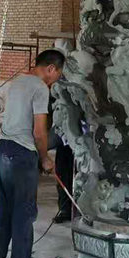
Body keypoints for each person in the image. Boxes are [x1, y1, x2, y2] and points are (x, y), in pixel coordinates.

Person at [0, 49, 65, 258]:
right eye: (58, 74)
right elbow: (39, 132)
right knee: (24, 213)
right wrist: (45, 158)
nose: (56, 80)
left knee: (4, 211)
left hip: (3, 151)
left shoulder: (17, 82)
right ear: (51, 68)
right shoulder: (40, 88)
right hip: (21, 155)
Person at [48, 94, 74, 223]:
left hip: (80, 137)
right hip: (64, 141)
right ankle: (65, 209)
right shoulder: (55, 94)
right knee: (63, 173)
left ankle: (77, 209)